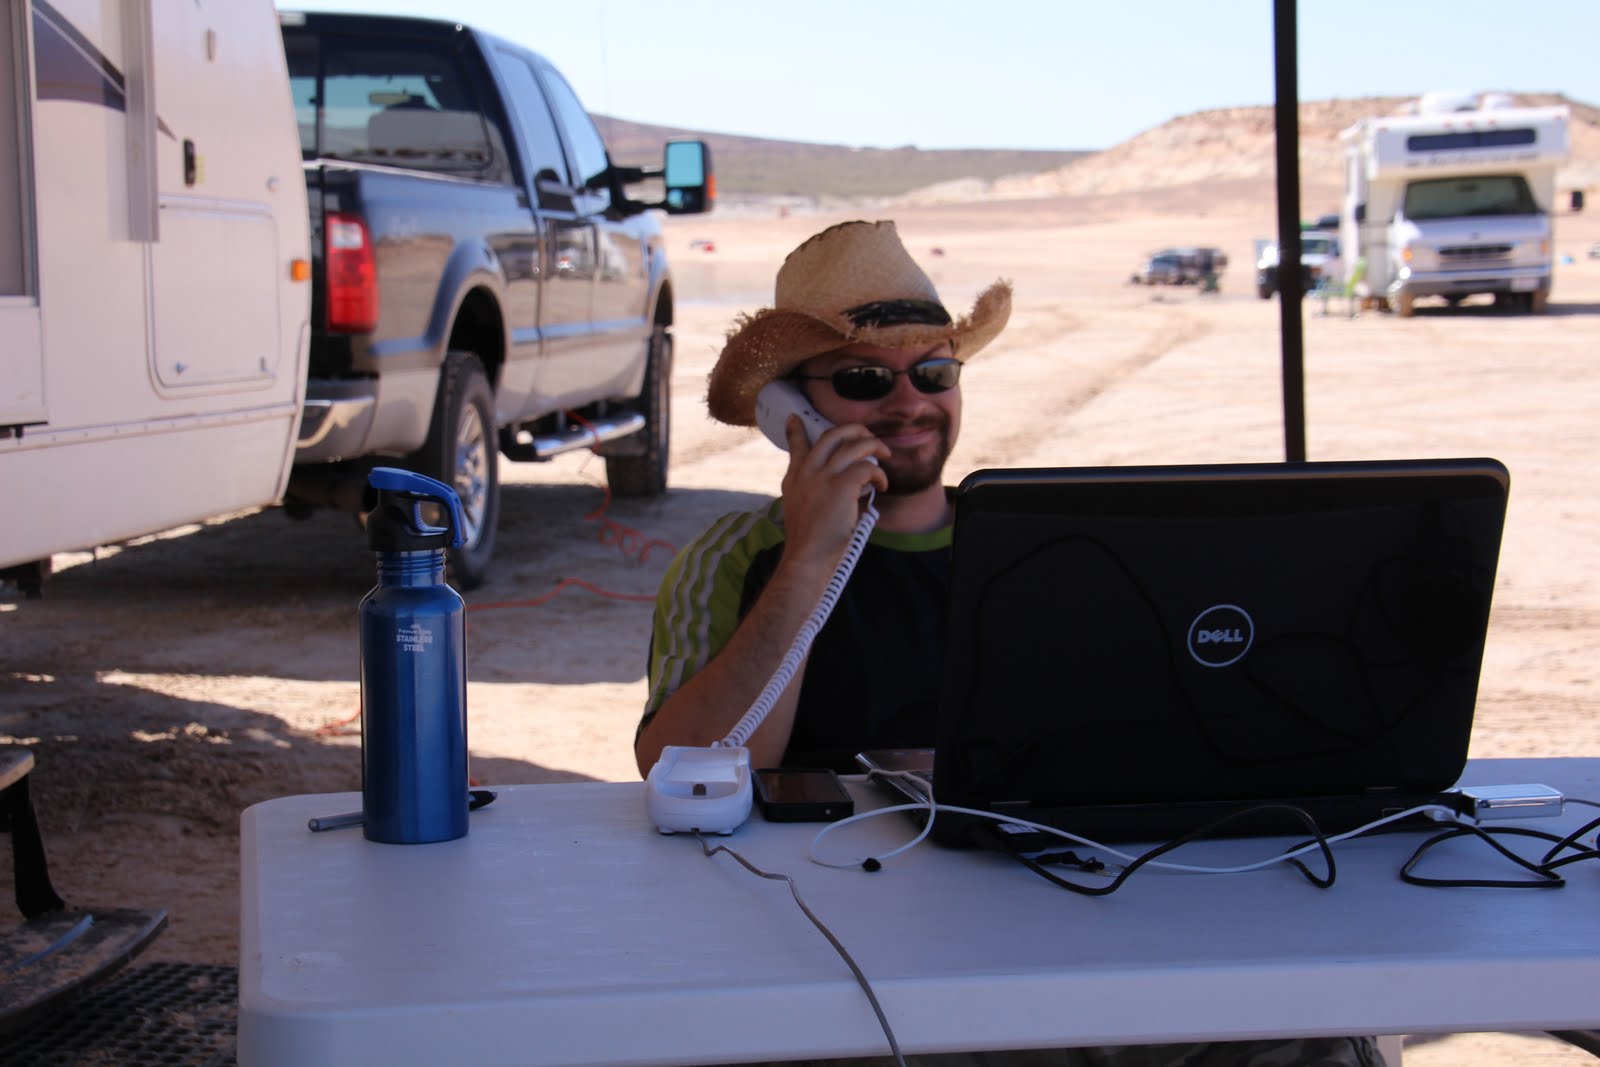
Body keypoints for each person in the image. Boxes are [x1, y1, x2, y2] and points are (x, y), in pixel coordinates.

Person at [634, 220, 1380, 1067]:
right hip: (844, 951)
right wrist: (809, 558)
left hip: (1064, 915)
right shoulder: (736, 559)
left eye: (933, 372)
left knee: (1321, 1022)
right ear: (787, 412)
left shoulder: (1050, 545)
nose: (909, 402)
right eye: (864, 378)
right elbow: (681, 772)